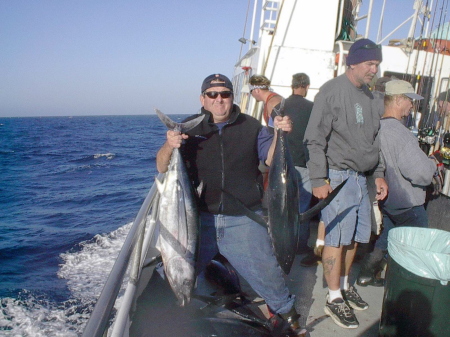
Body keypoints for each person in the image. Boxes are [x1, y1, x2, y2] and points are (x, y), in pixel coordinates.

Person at [156, 73, 308, 336]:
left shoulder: (251, 127)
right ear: (202, 99)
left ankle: (288, 318)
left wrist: (279, 136)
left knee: (271, 278)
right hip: (198, 221)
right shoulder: (189, 131)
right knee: (172, 276)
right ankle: (186, 316)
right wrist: (170, 145)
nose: (219, 99)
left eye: (224, 94)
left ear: (232, 97)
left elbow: (271, 159)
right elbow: (161, 165)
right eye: (212, 94)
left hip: (244, 218)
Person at [304, 38, 388, 329]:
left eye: (376, 64)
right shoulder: (331, 92)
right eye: (369, 63)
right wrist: (318, 178)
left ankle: (342, 284)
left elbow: (375, 141)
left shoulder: (370, 96)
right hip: (338, 177)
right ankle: (333, 297)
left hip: (362, 179)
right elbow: (314, 138)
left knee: (355, 238)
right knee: (337, 239)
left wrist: (378, 173)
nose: (373, 69)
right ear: (352, 62)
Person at [357, 80, 437, 287]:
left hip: (388, 200)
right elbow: (420, 173)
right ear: (399, 99)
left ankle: (366, 274)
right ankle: (410, 288)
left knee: (385, 239)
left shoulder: (377, 127)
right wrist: (432, 164)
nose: (412, 106)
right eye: (410, 101)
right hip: (407, 202)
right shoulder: (400, 133)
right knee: (417, 249)